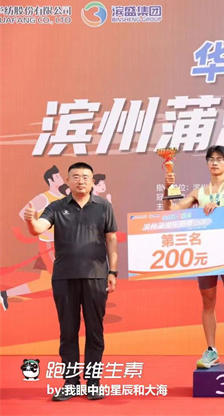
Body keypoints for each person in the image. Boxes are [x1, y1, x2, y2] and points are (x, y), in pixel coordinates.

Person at [23, 162, 118, 401]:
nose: (81, 181)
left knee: (95, 331)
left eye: (85, 177)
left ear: (93, 181)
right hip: (64, 277)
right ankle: (71, 382)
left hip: (96, 276)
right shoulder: (56, 207)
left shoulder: (103, 206)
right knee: (68, 331)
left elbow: (111, 240)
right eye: (75, 177)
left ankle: (93, 382)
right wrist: (31, 220)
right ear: (67, 181)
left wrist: (113, 272)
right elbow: (38, 228)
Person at [164, 145, 224, 370]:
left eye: (219, 159)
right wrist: (167, 188)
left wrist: (217, 209)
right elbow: (172, 211)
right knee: (208, 302)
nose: (215, 162)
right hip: (205, 255)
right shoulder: (198, 193)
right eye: (211, 159)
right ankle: (211, 350)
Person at [1, 166, 65, 310]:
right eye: (57, 176)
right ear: (50, 180)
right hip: (49, 245)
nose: (60, 178)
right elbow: (23, 213)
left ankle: (4, 294)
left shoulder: (63, 198)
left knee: (44, 282)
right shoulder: (43, 198)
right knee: (62, 276)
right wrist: (41, 229)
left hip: (62, 244)